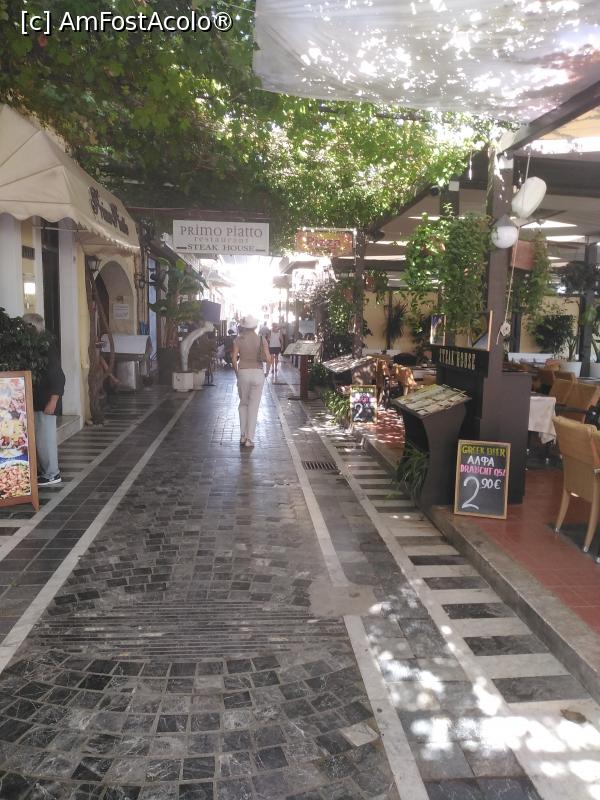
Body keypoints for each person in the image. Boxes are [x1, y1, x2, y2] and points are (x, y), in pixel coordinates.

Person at [23, 313, 65, 486]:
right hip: (38, 401)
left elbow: (58, 377)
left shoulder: (46, 347)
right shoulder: (34, 347)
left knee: (45, 439)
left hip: (47, 402)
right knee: (40, 439)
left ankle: (52, 474)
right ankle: (45, 471)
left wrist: (53, 401)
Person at [232, 314, 271, 448]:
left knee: (243, 404)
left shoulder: (238, 340)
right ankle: (249, 439)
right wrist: (267, 372)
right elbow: (268, 358)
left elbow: (234, 359)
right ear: (255, 326)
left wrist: (237, 373)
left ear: (244, 326)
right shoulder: (261, 339)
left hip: (243, 372)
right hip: (258, 373)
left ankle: (242, 436)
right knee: (253, 407)